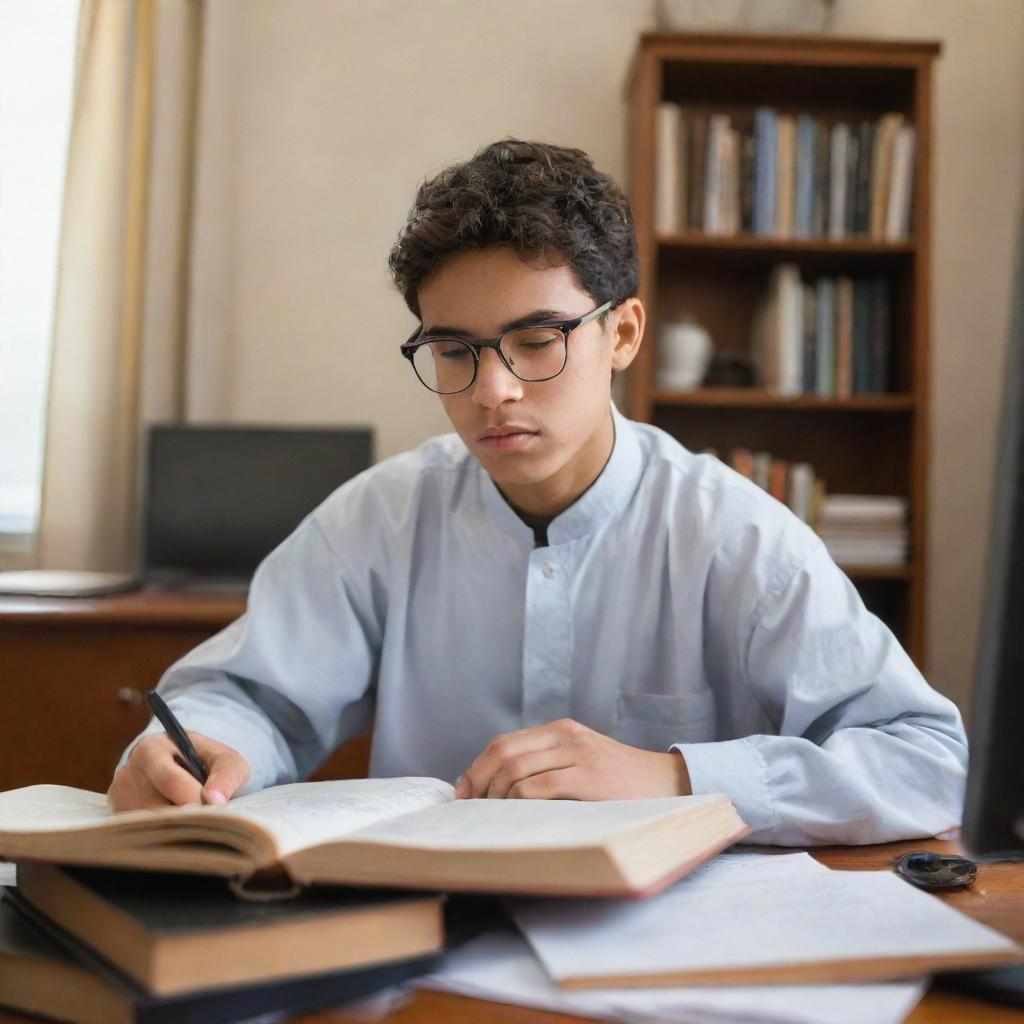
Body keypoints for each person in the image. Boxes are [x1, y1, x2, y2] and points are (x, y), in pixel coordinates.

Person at [109, 138, 967, 845]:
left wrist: (674, 775)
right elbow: (248, 697)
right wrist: (201, 747)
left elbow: (927, 759)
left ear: (622, 333)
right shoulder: (379, 520)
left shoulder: (735, 536)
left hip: (670, 957)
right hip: (429, 950)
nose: (494, 391)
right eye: (455, 351)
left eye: (537, 339)